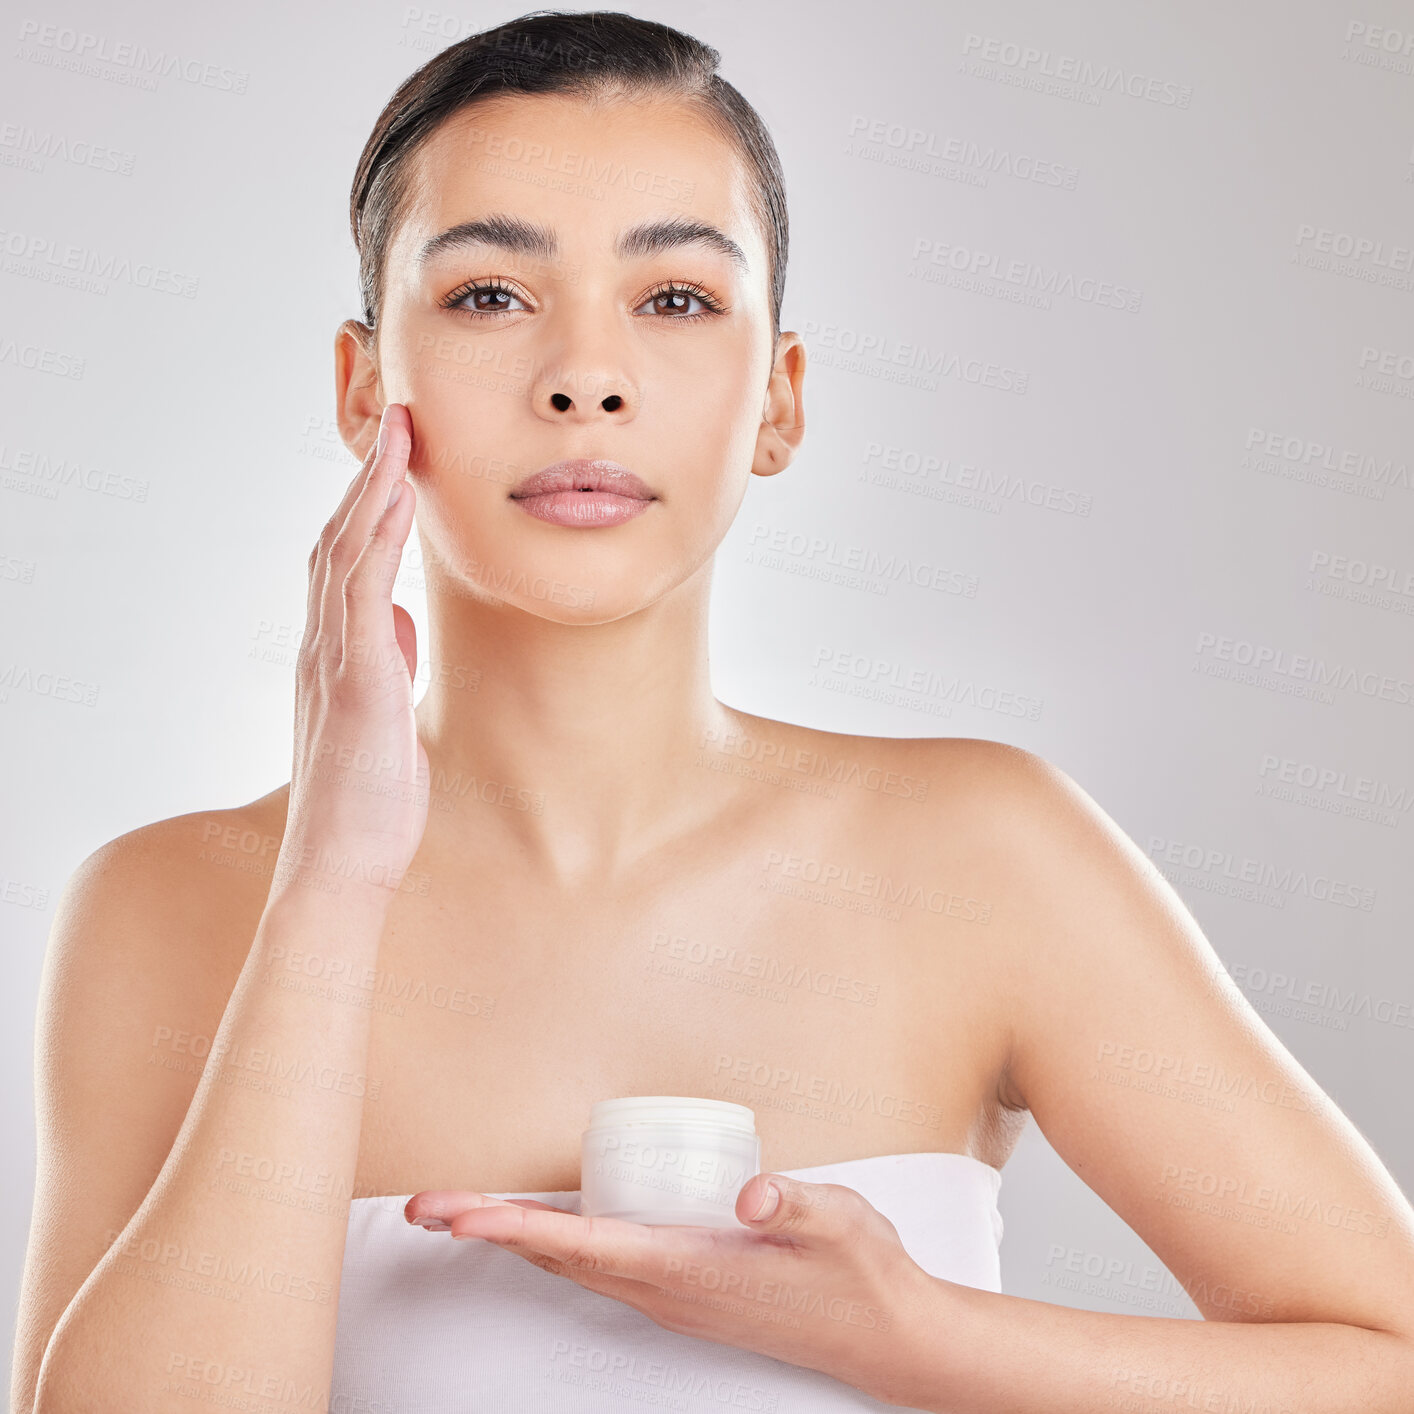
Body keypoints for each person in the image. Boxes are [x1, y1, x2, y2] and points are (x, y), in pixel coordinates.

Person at [15, 10, 1414, 1414]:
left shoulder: (985, 852)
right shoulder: (169, 910)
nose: (585, 376)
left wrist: (901, 1333)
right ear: (365, 382)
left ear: (778, 402)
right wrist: (327, 885)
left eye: (674, 298)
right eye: (490, 294)